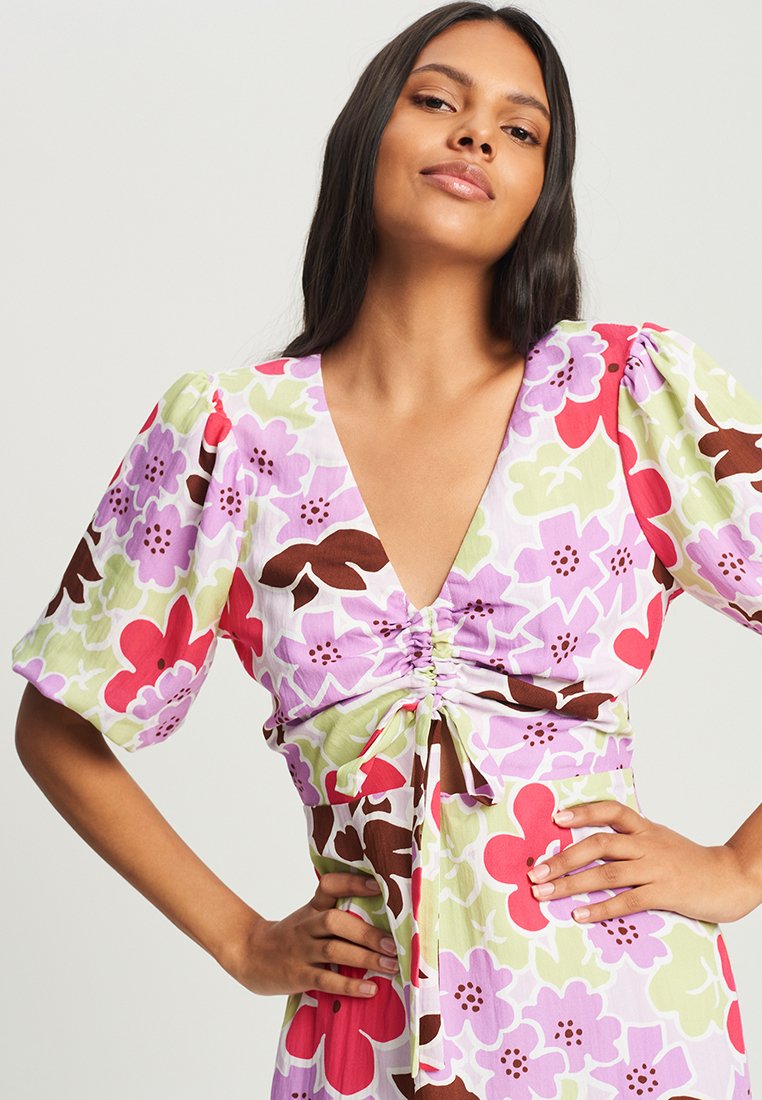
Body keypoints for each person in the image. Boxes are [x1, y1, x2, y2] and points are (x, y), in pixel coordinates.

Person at [11, 2, 762, 1096]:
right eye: (438, 100)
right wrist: (240, 939)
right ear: (370, 130)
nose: (476, 135)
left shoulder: (623, 394)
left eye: (520, 130)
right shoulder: (227, 435)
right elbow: (58, 720)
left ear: (541, 190)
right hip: (367, 1049)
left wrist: (739, 867)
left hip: (628, 1031)